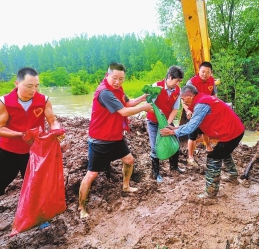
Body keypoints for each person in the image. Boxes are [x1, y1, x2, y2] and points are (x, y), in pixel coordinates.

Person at [0, 67, 62, 220]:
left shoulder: (43, 100)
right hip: (8, 151)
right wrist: (22, 135)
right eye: (29, 86)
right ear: (17, 83)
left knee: (37, 185)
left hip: (34, 151)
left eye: (36, 86)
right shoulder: (4, 102)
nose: (33, 90)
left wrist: (56, 131)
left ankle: (38, 216)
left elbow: (53, 121)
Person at [78, 62, 153, 218]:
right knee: (92, 174)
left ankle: (126, 186)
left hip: (116, 136)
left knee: (129, 160)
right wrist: (145, 107)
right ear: (107, 75)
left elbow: (127, 102)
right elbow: (124, 111)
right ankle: (81, 208)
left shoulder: (118, 89)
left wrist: (143, 98)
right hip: (100, 139)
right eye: (115, 78)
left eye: (121, 79)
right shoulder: (105, 92)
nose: (118, 82)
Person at [160, 84, 245, 198]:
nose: (184, 103)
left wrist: (171, 132)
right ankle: (233, 176)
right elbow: (192, 124)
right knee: (223, 152)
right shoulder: (202, 99)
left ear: (190, 96)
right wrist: (175, 128)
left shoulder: (201, 104)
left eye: (184, 99)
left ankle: (210, 193)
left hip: (232, 133)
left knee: (213, 157)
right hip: (234, 130)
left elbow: (191, 127)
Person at [146, 65, 185, 183]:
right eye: (177, 80)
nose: (177, 84)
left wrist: (167, 124)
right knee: (155, 147)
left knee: (174, 142)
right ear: (169, 77)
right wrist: (157, 112)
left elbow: (175, 109)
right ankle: (156, 173)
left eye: (179, 81)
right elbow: (148, 106)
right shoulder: (155, 87)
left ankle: (174, 167)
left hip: (167, 121)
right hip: (153, 122)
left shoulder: (177, 91)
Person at [184, 61, 217, 166]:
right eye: (203, 71)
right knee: (192, 135)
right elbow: (183, 98)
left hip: (206, 111)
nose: (205, 74)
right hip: (194, 112)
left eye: (207, 72)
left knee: (206, 130)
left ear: (211, 73)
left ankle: (208, 147)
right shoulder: (191, 82)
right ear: (199, 71)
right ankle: (190, 157)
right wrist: (187, 110)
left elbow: (214, 96)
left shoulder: (211, 81)